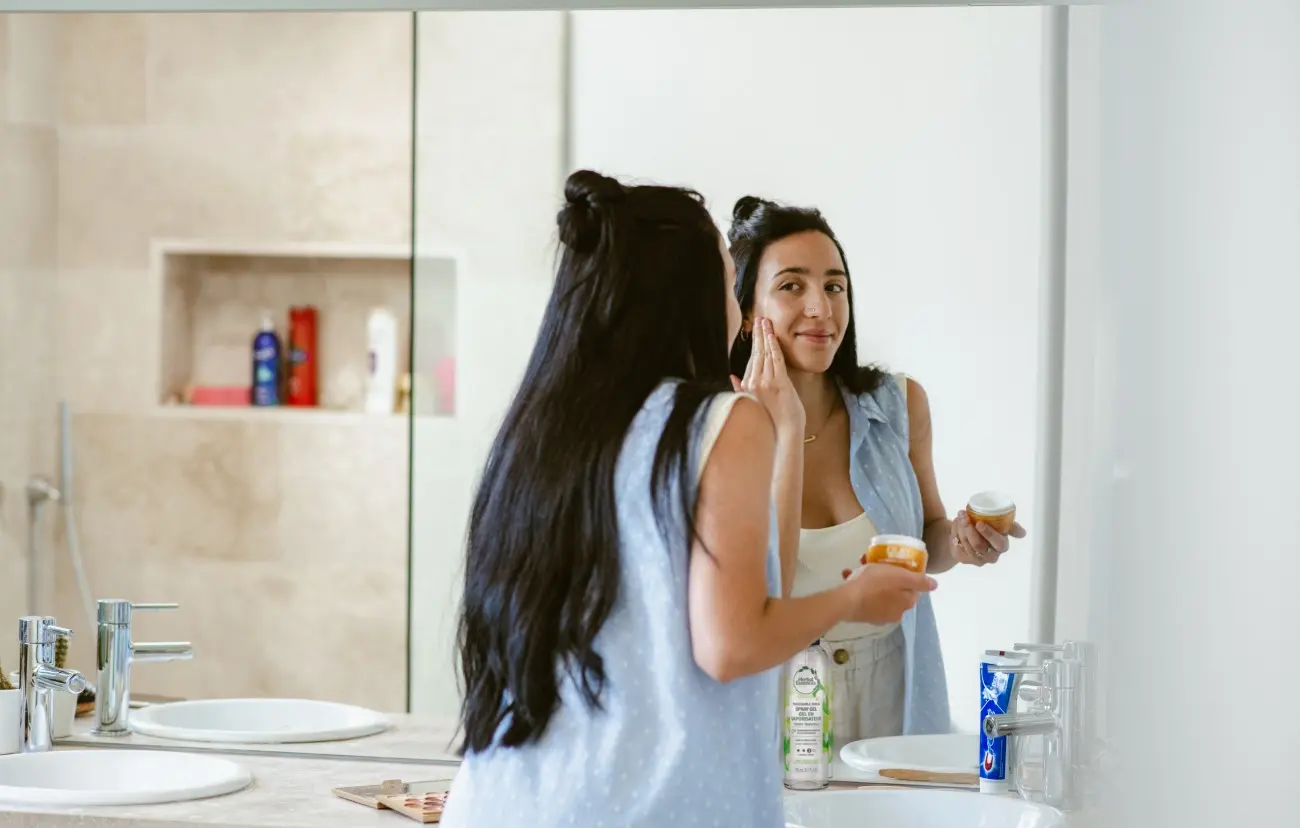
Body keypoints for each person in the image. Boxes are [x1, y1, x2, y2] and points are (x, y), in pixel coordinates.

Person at [440, 171, 938, 827]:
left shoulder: (540, 428)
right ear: (690, 294)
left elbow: (747, 589)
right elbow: (732, 644)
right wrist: (854, 598)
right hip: (641, 809)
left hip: (504, 800)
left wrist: (785, 429)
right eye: (730, 278)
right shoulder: (718, 421)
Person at [727, 196, 1027, 747]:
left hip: (893, 695)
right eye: (791, 286)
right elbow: (750, 594)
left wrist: (961, 541)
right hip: (775, 706)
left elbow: (926, 538)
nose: (821, 307)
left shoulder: (898, 405)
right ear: (747, 312)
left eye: (834, 286)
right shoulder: (721, 427)